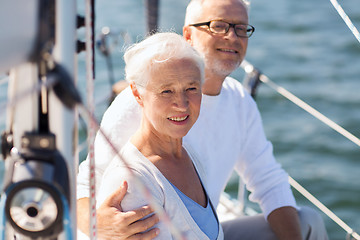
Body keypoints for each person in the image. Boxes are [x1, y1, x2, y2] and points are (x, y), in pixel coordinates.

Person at [77, 0, 329, 239]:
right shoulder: (142, 102)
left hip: (205, 231)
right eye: (219, 26)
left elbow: (269, 181)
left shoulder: (240, 102)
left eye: (241, 28)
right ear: (188, 35)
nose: (232, 37)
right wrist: (98, 226)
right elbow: (86, 184)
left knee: (308, 222)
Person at [89, 32, 223, 239]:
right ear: (136, 93)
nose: (182, 104)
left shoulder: (190, 154)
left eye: (191, 88)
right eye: (166, 91)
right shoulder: (132, 181)